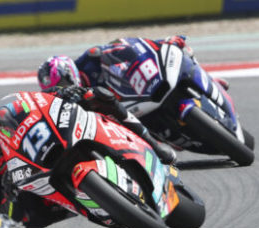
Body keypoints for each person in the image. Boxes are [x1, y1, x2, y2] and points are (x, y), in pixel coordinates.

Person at [35, 36, 200, 164]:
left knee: (104, 97)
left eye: (63, 83)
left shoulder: (90, 59)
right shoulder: (59, 100)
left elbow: (130, 47)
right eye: (59, 87)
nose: (64, 88)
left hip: (136, 96)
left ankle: (156, 148)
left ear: (69, 72)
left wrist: (162, 43)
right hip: (109, 127)